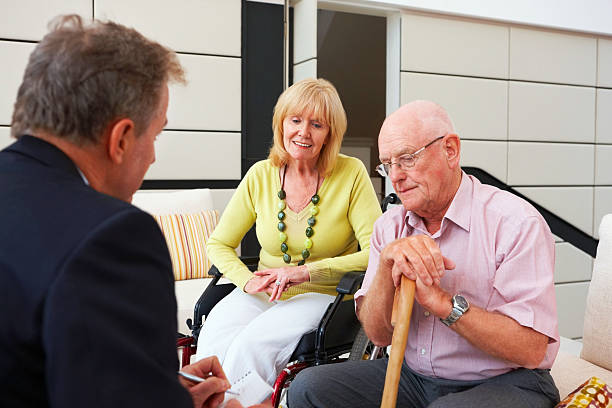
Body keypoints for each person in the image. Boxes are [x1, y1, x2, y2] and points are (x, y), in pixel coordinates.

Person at [0, 15, 251, 408]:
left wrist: (158, 386)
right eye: (155, 135)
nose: (152, 156)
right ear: (120, 139)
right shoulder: (112, 237)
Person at [288, 100, 561, 407]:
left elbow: (531, 348)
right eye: (387, 164)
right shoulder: (389, 227)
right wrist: (385, 270)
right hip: (415, 378)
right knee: (307, 387)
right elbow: (378, 336)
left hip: (508, 380)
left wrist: (442, 303)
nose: (395, 176)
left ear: (450, 151)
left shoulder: (515, 223)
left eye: (406, 158)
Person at [195, 78, 382, 402]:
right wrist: (247, 280)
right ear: (281, 123)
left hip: (325, 295)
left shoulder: (351, 173)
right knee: (213, 337)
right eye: (295, 120)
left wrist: (305, 272)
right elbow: (219, 244)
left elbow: (376, 252)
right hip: (264, 291)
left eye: (317, 124)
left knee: (250, 347)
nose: (303, 132)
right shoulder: (261, 175)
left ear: (330, 132)